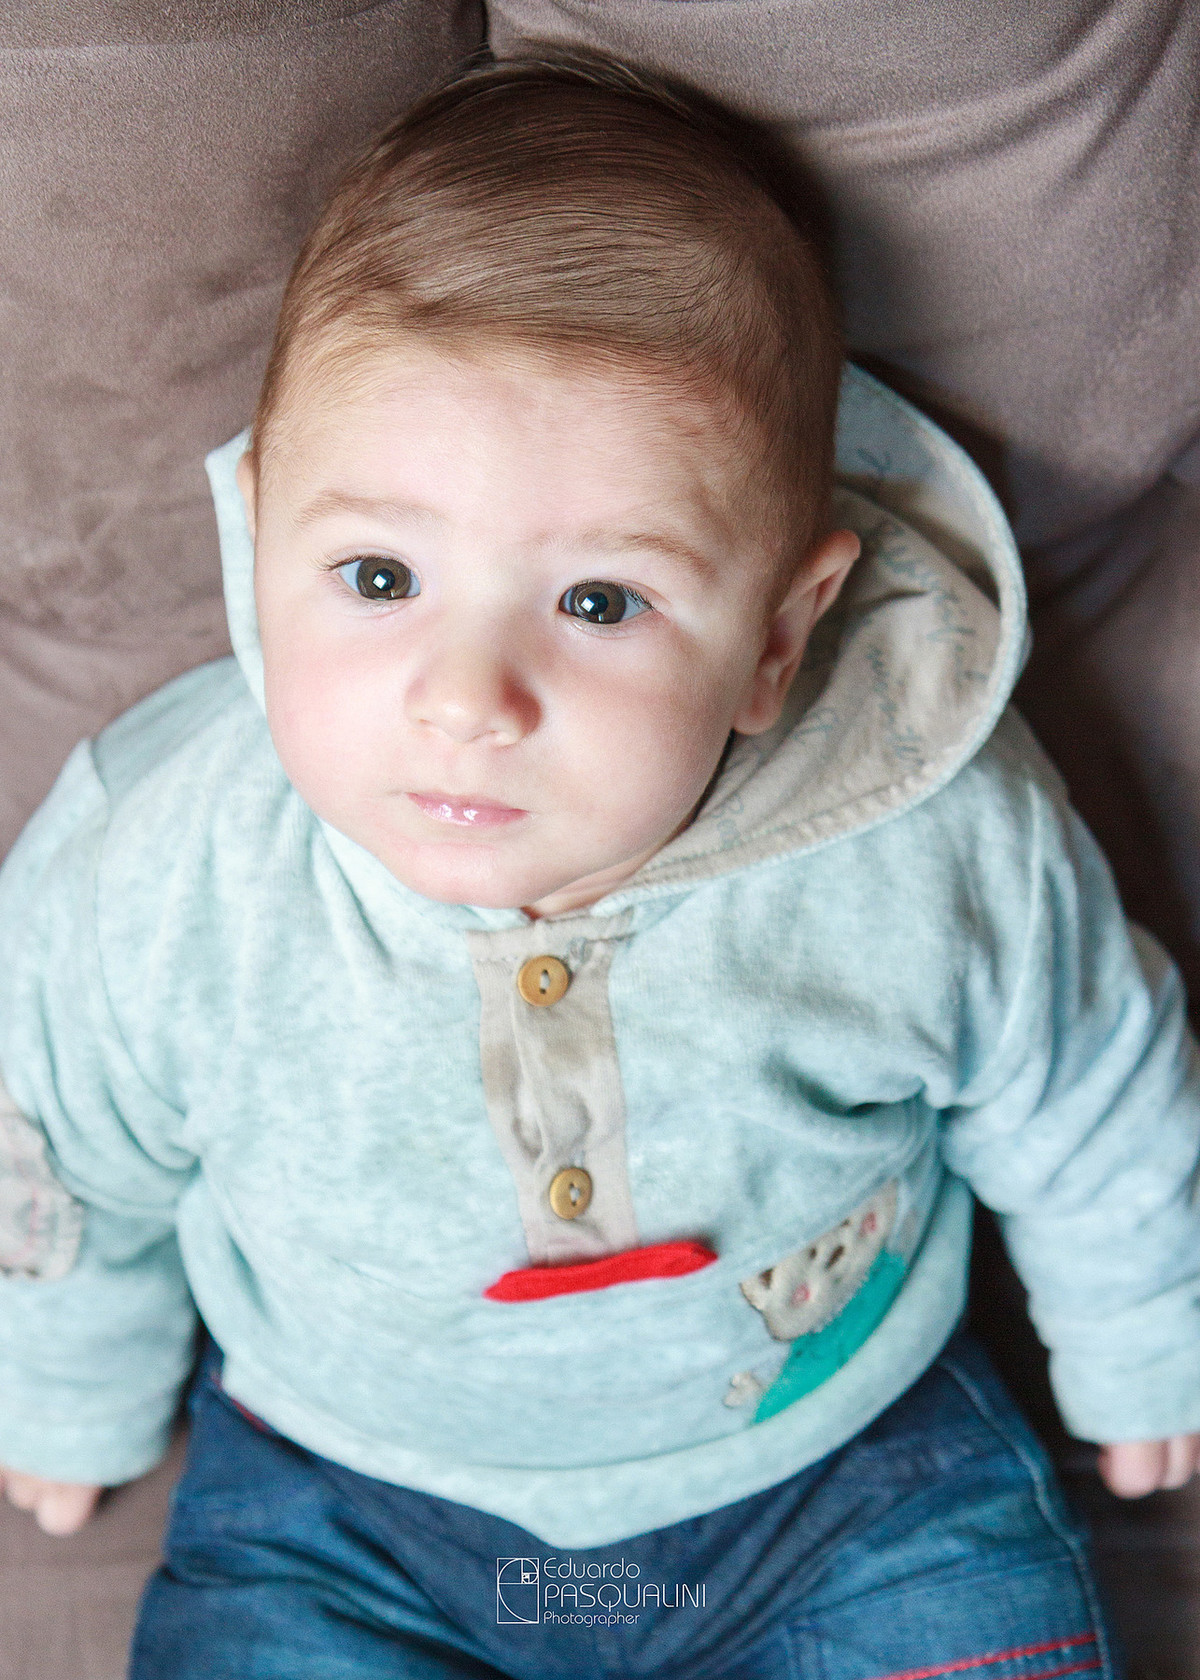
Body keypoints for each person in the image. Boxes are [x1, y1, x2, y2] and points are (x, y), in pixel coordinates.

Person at [0, 54, 1196, 1678]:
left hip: (844, 1475)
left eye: (600, 603)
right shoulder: (167, 867)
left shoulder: (928, 830)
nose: (467, 699)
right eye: (375, 573)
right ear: (255, 537)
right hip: (345, 1495)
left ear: (779, 638)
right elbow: (64, 1146)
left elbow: (1088, 1082)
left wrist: (1146, 1340)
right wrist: (66, 1391)